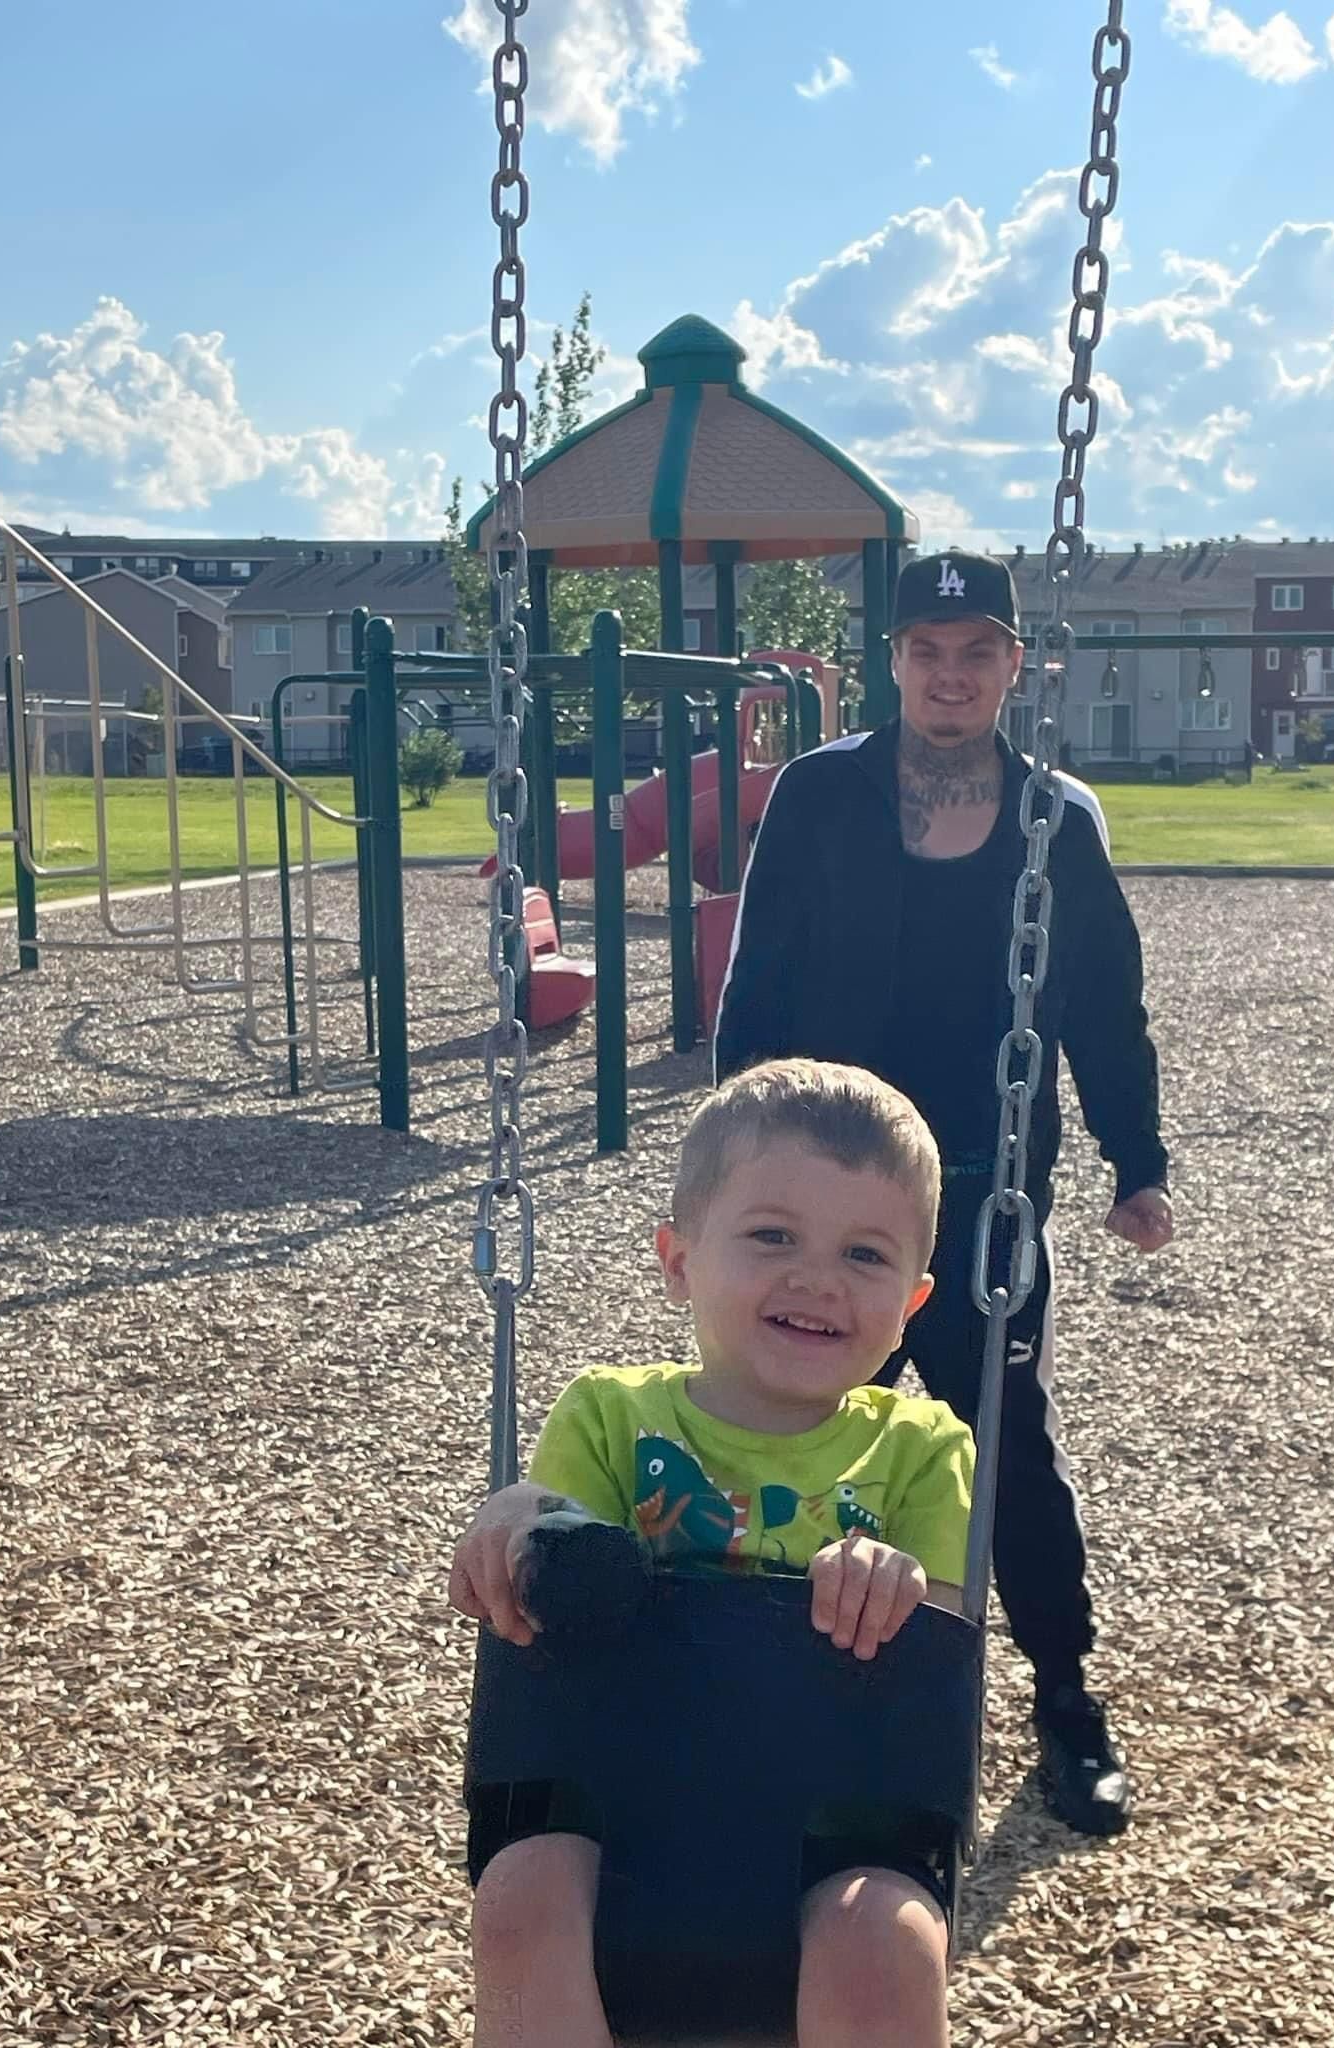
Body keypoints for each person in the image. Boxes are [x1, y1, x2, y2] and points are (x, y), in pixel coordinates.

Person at [714, 549, 1175, 1839]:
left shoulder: (1055, 820)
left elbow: (1104, 1010)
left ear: (1014, 667)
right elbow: (757, 988)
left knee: (1002, 1443)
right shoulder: (819, 796)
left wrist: (1137, 1163)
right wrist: (730, 1166)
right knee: (796, 1432)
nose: (952, 674)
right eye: (929, 651)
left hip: (982, 1200)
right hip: (825, 1194)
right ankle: (779, 1677)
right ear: (896, 662)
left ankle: (1066, 1698)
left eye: (978, 652)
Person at [451, 1058, 975, 2048]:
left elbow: (932, 1660)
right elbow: (545, 1578)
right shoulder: (611, 1416)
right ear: (679, 1257)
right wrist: (517, 1522)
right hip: (620, 1797)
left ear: (913, 1299)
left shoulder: (924, 1450)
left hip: (838, 1822)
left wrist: (898, 1583)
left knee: (887, 1941)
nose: (817, 1277)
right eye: (772, 1234)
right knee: (521, 1898)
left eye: (866, 1254)